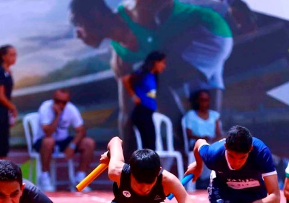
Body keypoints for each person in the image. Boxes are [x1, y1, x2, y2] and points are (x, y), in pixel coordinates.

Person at [70, 0, 233, 139]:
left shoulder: (136, 8)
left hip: (205, 32)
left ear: (94, 15)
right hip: (195, 48)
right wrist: (124, 164)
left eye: (77, 24)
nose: (76, 35)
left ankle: (186, 137)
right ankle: (203, 138)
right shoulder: (120, 59)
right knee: (210, 132)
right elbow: (126, 115)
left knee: (151, 79)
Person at [32, 89, 96, 192]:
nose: (60, 104)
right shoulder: (45, 107)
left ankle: (80, 177)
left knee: (88, 143)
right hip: (43, 141)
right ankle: (44, 176)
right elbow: (48, 132)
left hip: (62, 141)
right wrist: (58, 115)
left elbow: (81, 130)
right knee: (49, 141)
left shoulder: (71, 109)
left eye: (64, 102)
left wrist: (72, 145)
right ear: (53, 99)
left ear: (68, 101)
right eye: (58, 101)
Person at [123, 51, 167, 151]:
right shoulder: (142, 73)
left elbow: (151, 94)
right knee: (148, 143)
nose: (164, 66)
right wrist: (134, 96)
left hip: (149, 112)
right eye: (162, 62)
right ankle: (146, 165)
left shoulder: (154, 76)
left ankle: (150, 165)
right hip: (141, 112)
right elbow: (125, 79)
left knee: (151, 143)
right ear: (155, 62)